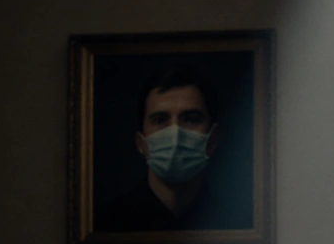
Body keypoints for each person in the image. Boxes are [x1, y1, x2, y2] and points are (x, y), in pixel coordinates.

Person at [95, 64, 248, 232]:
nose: (175, 134)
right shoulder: (103, 224)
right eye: (160, 120)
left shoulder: (242, 225)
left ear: (212, 140)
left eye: (190, 119)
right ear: (141, 143)